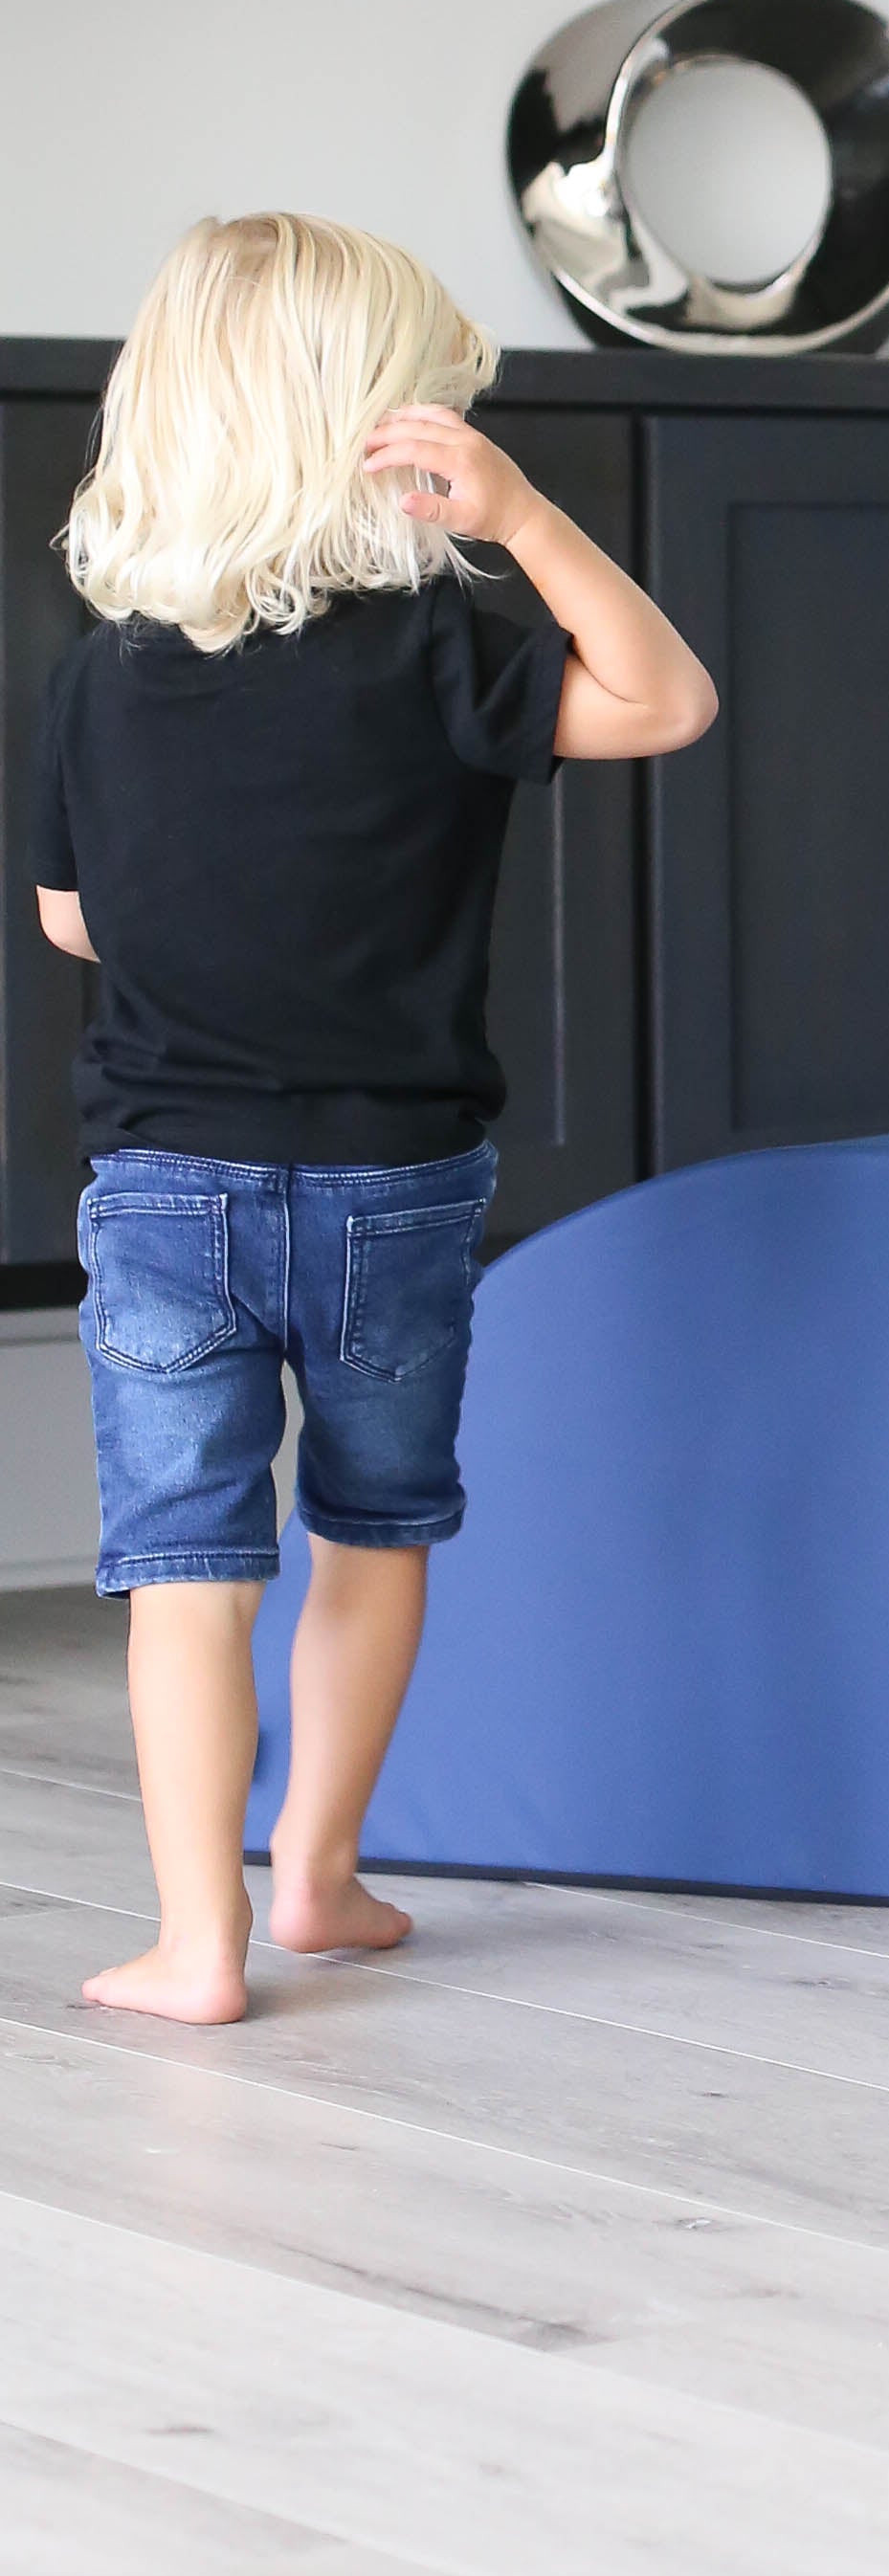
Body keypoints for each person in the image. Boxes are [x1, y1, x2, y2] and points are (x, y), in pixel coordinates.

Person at [28, 215, 718, 2023]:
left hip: (163, 1182)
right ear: (387, 433)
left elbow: (69, 918)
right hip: (389, 1187)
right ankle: (320, 1878)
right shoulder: (448, 647)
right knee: (370, 1529)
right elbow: (670, 698)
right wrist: (531, 523)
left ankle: (199, 1946)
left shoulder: (100, 670)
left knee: (184, 1573)